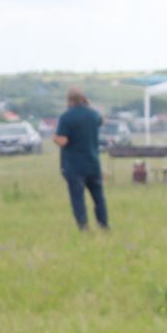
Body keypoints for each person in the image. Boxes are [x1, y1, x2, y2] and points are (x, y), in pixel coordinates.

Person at [53, 87, 109, 231]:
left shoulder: (66, 117)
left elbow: (63, 141)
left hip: (74, 165)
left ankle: (83, 226)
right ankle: (103, 224)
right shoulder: (93, 114)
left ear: (69, 100)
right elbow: (101, 121)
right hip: (93, 163)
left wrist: (55, 138)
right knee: (98, 198)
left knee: (78, 199)